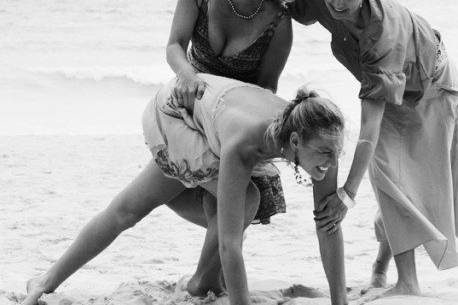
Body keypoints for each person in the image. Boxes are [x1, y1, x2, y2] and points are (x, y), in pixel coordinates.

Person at [22, 73, 348, 305]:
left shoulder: (315, 135)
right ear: (295, 142)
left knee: (227, 203)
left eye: (336, 153)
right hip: (176, 112)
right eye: (325, 154)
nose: (332, 162)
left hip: (210, 119)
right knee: (241, 200)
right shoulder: (245, 143)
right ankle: (47, 281)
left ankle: (202, 279)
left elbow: (327, 224)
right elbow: (230, 246)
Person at [289, 0, 458, 296]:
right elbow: (289, 9)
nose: (338, 4)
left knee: (389, 174)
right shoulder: (326, 4)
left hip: (432, 90)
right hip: (396, 89)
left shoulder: (383, 35)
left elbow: (368, 132)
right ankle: (381, 270)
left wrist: (347, 195)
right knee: (393, 180)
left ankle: (407, 282)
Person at [166, 0, 293, 294]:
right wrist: (187, 74)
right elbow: (174, 45)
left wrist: (234, 119)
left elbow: (266, 89)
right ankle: (212, 276)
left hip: (234, 125)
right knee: (152, 199)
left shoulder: (279, 21)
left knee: (230, 205)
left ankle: (206, 280)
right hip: (189, 111)